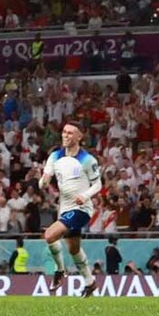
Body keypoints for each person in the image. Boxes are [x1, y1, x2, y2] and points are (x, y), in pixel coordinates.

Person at [40, 122, 102, 297]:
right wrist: (43, 181)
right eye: (64, 132)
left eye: (70, 133)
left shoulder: (87, 160)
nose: (65, 136)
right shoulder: (55, 156)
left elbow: (98, 184)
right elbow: (45, 178)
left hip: (82, 209)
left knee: (50, 235)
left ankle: (60, 270)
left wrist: (85, 195)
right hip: (64, 208)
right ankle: (90, 283)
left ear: (79, 137)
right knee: (73, 249)